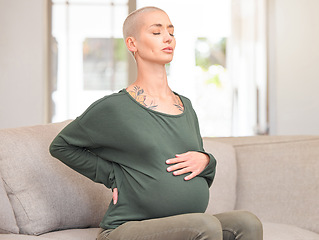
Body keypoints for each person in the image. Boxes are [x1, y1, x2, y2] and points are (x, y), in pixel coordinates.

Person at [50, 6, 263, 240]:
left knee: (247, 223)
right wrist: (113, 176)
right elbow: (61, 146)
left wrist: (206, 160)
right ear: (132, 44)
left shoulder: (186, 106)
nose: (168, 37)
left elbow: (195, 160)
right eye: (156, 32)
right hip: (127, 228)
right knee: (205, 226)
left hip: (186, 223)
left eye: (171, 32)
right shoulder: (114, 108)